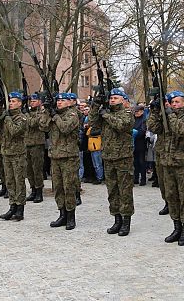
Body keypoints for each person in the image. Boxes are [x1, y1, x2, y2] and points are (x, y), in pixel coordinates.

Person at [149, 91, 184, 245]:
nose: (174, 105)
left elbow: (181, 130)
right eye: (172, 102)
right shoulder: (166, 117)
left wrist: (169, 114)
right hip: (167, 162)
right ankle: (176, 227)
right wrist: (156, 111)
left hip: (182, 163)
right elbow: (152, 127)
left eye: (177, 102)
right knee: (171, 197)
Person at [90, 88, 135, 236]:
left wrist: (107, 115)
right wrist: (96, 106)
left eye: (116, 97)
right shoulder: (105, 113)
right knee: (112, 191)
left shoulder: (127, 113)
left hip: (123, 157)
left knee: (125, 191)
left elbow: (122, 126)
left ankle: (126, 221)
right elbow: (93, 123)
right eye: (111, 98)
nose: (112, 100)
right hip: (108, 157)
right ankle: (117, 219)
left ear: (123, 99)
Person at [39, 93, 80, 230]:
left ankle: (71, 216)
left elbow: (65, 128)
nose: (59, 103)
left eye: (63, 101)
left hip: (69, 157)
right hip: (55, 156)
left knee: (69, 187)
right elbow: (42, 126)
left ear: (69, 102)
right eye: (58, 101)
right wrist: (47, 112)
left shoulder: (72, 115)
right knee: (58, 187)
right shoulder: (53, 114)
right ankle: (62, 213)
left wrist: (55, 116)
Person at [0, 92, 28, 221]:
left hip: (18, 154)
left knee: (19, 182)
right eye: (10, 101)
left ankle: (20, 209)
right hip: (6, 153)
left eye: (13, 101)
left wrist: (7, 118)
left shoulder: (22, 118)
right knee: (10, 181)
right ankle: (12, 206)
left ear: (20, 103)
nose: (11, 103)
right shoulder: (6, 115)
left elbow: (14, 131)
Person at [25, 93, 46, 203]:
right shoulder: (30, 112)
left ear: (39, 102)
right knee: (29, 170)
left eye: (34, 101)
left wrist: (27, 115)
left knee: (37, 169)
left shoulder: (41, 113)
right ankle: (33, 189)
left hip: (37, 144)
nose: (31, 103)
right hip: (27, 144)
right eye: (31, 101)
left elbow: (32, 123)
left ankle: (39, 191)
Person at [133, 104, 148, 186]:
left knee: (142, 162)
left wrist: (134, 133)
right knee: (135, 162)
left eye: (137, 111)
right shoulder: (133, 119)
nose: (136, 113)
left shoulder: (144, 120)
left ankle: (143, 179)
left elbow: (142, 131)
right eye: (135, 111)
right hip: (134, 143)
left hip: (141, 143)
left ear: (142, 112)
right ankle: (136, 178)